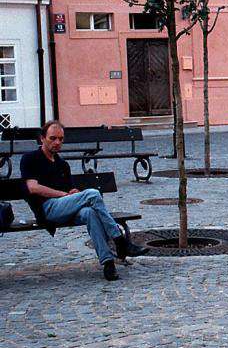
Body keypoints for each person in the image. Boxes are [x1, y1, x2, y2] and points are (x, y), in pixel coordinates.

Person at [20, 120, 149, 281]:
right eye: (53, 138)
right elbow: (33, 187)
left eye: (61, 139)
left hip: (65, 207)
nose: (57, 142)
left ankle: (108, 262)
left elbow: (69, 191)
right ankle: (119, 240)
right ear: (42, 138)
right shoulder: (30, 159)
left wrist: (73, 193)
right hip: (46, 209)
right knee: (93, 194)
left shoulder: (62, 164)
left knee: (89, 213)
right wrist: (63, 195)